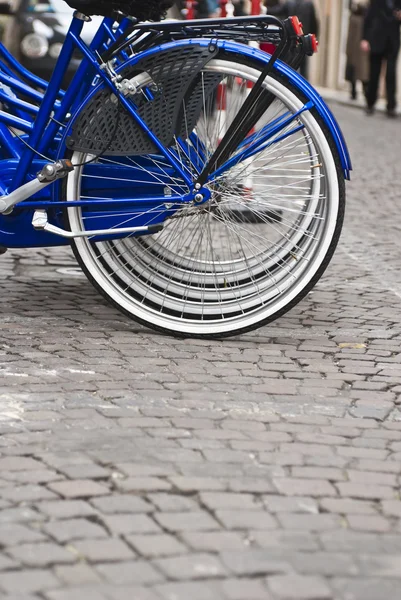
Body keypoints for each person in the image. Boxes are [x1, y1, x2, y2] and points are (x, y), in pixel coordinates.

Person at [361, 0, 401, 117]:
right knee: (374, 74)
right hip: (376, 39)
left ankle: (391, 106)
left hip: (392, 41)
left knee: (391, 74)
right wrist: (364, 38)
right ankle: (370, 103)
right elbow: (368, 18)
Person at [264, 0, 319, 78]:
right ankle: (301, 85)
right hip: (305, 40)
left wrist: (264, 10)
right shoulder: (309, 4)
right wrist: (314, 38)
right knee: (303, 67)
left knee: (290, 64)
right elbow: (314, 23)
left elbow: (277, 10)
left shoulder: (289, 3)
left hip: (292, 39)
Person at [345, 0, 369, 101]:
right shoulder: (354, 16)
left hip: (361, 47)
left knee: (363, 71)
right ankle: (355, 92)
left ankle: (366, 93)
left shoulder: (365, 17)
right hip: (354, 47)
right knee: (354, 71)